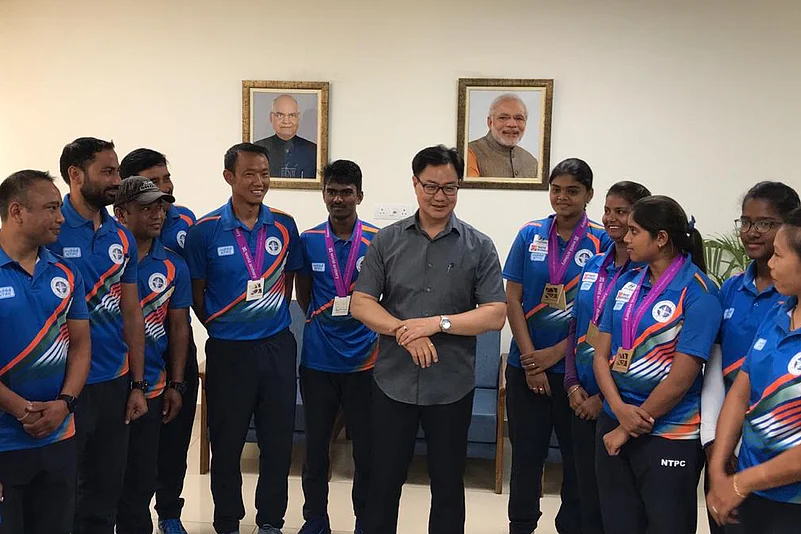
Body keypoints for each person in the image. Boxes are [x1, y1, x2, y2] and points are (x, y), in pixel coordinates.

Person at [351, 145, 507, 534]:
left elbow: (495, 313)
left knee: (448, 485)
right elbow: (361, 303)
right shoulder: (387, 240)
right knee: (382, 482)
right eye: (431, 186)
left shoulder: (479, 245)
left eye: (449, 188)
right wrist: (403, 330)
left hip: (451, 384)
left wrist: (437, 324)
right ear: (415, 184)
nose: (440, 196)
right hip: (393, 381)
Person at [185, 143, 303, 534]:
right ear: (229, 177)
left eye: (265, 173)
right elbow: (197, 294)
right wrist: (223, 328)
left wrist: (266, 320)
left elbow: (287, 282)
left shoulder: (284, 225)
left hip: (276, 347)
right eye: (250, 173)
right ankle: (227, 520)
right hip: (228, 352)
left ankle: (270, 520)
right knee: (226, 442)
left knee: (277, 442)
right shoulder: (204, 231)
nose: (259, 182)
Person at [592, 195, 722, 534]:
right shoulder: (627, 282)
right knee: (618, 524)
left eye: (634, 231)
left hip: (669, 432)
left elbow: (681, 380)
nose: (625, 238)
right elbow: (600, 356)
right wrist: (618, 411)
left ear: (661, 238)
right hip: (613, 420)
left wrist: (627, 427)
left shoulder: (700, 292)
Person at [503, 158, 612, 534]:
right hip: (525, 367)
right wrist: (530, 360)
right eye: (556, 189)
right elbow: (512, 298)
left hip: (575, 374)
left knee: (577, 461)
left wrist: (554, 356)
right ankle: (521, 525)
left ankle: (572, 526)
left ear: (589, 194)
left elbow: (601, 314)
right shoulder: (529, 234)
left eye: (572, 191)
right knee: (526, 458)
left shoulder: (603, 241)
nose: (562, 197)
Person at [49, 137, 148, 534]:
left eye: (117, 171)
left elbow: (132, 314)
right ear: (76, 175)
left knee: (105, 491)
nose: (117, 180)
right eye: (107, 171)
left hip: (113, 383)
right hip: (62, 384)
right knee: (62, 493)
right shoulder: (51, 230)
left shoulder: (121, 237)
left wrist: (137, 383)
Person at [701, 181, 800, 534]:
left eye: (779, 256)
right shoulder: (776, 312)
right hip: (749, 478)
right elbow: (738, 387)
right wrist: (718, 464)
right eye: (745, 222)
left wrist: (741, 482)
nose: (770, 263)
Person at [0, 170, 91, 534]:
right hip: (5, 442)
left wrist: (65, 404)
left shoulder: (66, 273)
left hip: (58, 434)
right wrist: (20, 409)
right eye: (52, 208)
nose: (61, 217)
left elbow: (81, 345)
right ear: (17, 211)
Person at [295, 160, 379, 534]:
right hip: (318, 361)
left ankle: (366, 519)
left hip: (365, 362)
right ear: (323, 194)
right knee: (316, 447)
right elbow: (304, 296)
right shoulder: (309, 239)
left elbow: (385, 297)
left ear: (359, 195)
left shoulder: (377, 240)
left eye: (346, 192)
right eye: (332, 191)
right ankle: (315, 518)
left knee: (367, 450)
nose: (339, 199)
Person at [563, 180, 651, 534]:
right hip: (580, 395)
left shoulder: (647, 276)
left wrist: (601, 398)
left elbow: (641, 348)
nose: (611, 219)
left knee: (617, 504)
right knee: (583, 490)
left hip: (618, 405)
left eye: (622, 212)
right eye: (608, 210)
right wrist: (571, 383)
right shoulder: (594, 265)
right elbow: (576, 326)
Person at [119, 148, 198, 534]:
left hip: (165, 365)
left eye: (166, 182)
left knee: (164, 451)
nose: (159, 208)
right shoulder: (109, 252)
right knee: (116, 462)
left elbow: (181, 322)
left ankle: (168, 512)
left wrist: (177, 381)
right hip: (115, 371)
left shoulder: (184, 231)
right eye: (154, 184)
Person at [467, 93, 538, 179]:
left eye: (519, 118)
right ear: (490, 122)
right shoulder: (470, 153)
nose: (512, 124)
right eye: (503, 118)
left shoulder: (532, 163)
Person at [254, 94, 317, 179]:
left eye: (292, 115)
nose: (286, 121)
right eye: (280, 115)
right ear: (271, 117)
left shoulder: (314, 151)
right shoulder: (257, 149)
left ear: (298, 118)